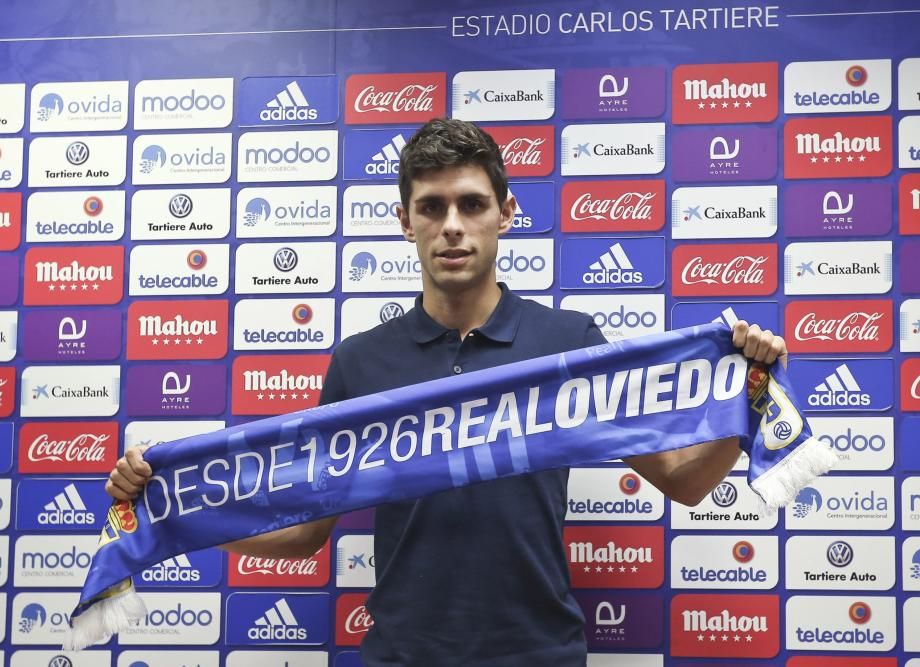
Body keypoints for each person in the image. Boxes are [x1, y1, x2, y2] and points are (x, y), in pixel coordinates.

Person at [106, 118, 788, 665]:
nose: (452, 226)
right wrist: (172, 505)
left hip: (540, 654)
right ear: (405, 221)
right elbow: (307, 531)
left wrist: (747, 399)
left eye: (471, 204)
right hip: (402, 654)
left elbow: (684, 482)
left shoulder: (570, 341)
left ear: (507, 213)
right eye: (431, 208)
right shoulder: (360, 362)